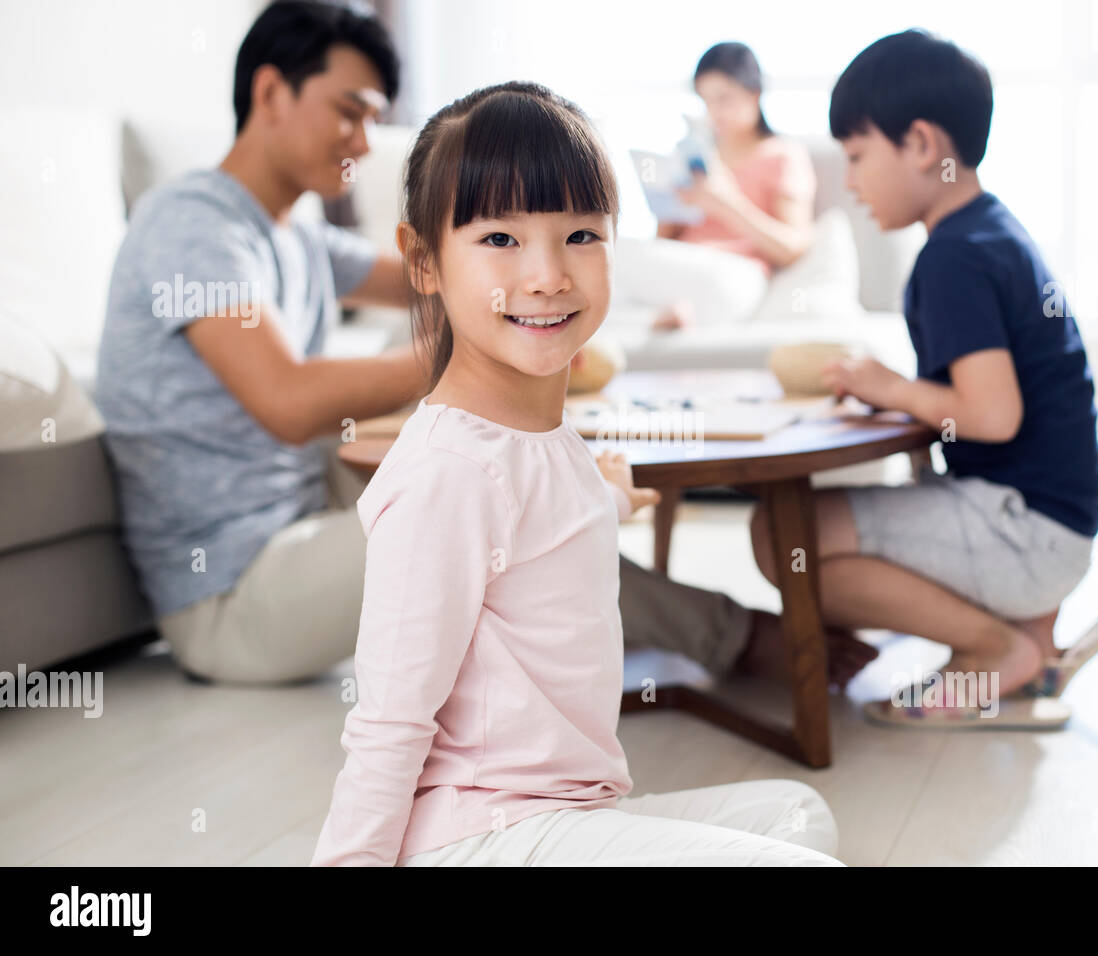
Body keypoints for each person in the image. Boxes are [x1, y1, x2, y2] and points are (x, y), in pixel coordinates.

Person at [94, 0, 869, 690]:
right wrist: (483, 343)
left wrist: (541, 276)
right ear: (270, 93)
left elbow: (443, 269)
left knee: (521, 480)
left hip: (308, 512)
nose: (367, 140)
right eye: (351, 111)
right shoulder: (197, 224)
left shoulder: (293, 233)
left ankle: (638, 637)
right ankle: (742, 637)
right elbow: (290, 405)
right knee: (507, 511)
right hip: (234, 589)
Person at [310, 81, 843, 866]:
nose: (548, 275)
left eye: (581, 235)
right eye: (500, 239)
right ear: (422, 260)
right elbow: (389, 723)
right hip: (482, 836)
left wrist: (610, 499)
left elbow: (544, 525)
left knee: (798, 818)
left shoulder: (544, 436)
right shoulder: (444, 475)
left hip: (568, 814)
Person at [751, 29, 1098, 723]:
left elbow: (993, 414)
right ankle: (1023, 636)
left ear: (921, 145)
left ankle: (995, 646)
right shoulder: (992, 231)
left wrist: (885, 385)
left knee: (778, 538)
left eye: (857, 156)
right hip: (1056, 526)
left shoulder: (952, 259)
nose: (850, 182)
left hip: (1025, 532)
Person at [616, 41, 817, 332]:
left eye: (724, 98)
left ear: (754, 93)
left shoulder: (783, 155)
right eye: (706, 101)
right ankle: (666, 316)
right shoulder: (696, 154)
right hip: (679, 266)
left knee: (724, 288)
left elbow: (793, 247)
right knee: (607, 254)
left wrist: (726, 204)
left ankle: (663, 318)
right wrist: (669, 205)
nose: (714, 112)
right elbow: (663, 245)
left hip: (733, 272)